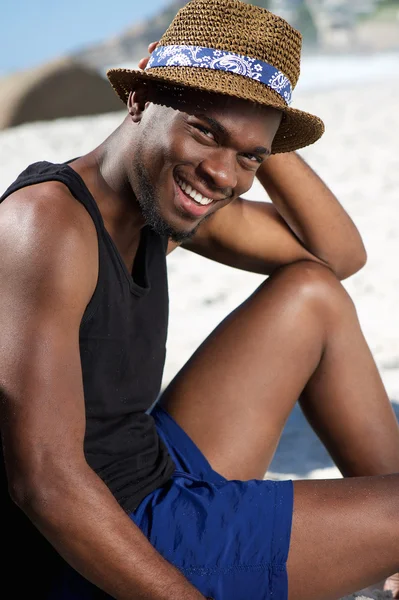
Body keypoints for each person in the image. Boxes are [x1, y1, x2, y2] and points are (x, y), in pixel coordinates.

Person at [0, 0, 398, 598]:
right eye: (205, 129)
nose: (221, 174)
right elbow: (45, 483)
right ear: (139, 97)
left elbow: (337, 258)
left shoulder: (163, 203)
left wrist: (255, 133)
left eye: (249, 158)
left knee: (312, 295)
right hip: (102, 542)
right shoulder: (45, 225)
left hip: (153, 473)